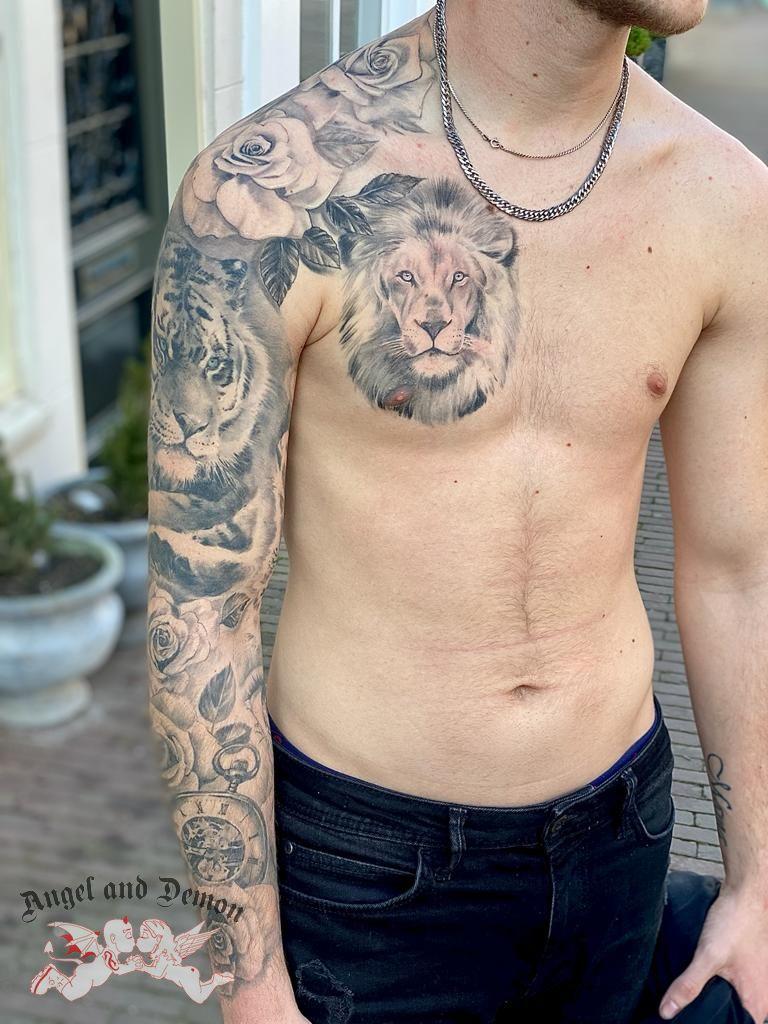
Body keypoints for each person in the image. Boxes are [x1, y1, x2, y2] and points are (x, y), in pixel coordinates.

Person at [146, 0, 768, 1020]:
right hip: (366, 873)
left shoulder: (726, 199)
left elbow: (740, 571)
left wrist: (756, 881)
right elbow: (200, 602)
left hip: (622, 835)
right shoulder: (268, 199)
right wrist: (250, 982)